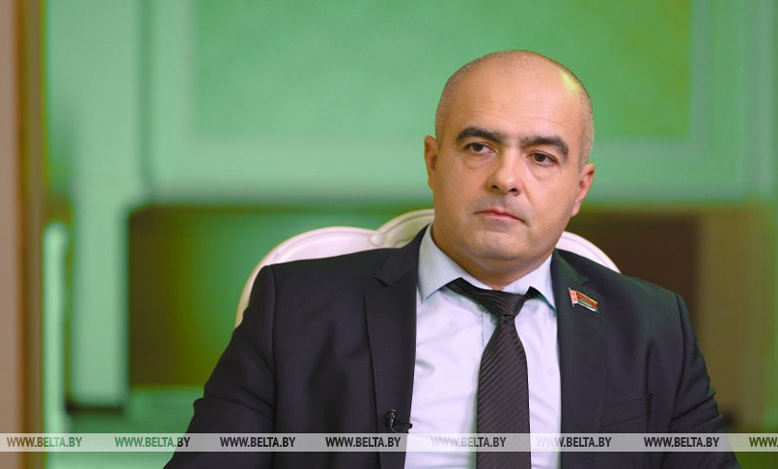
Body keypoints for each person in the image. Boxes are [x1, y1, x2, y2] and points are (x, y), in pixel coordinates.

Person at [167, 50, 738, 468]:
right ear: (433, 161)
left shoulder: (654, 327)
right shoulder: (295, 308)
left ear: (579, 188)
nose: (506, 179)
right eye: (479, 147)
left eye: (541, 156)